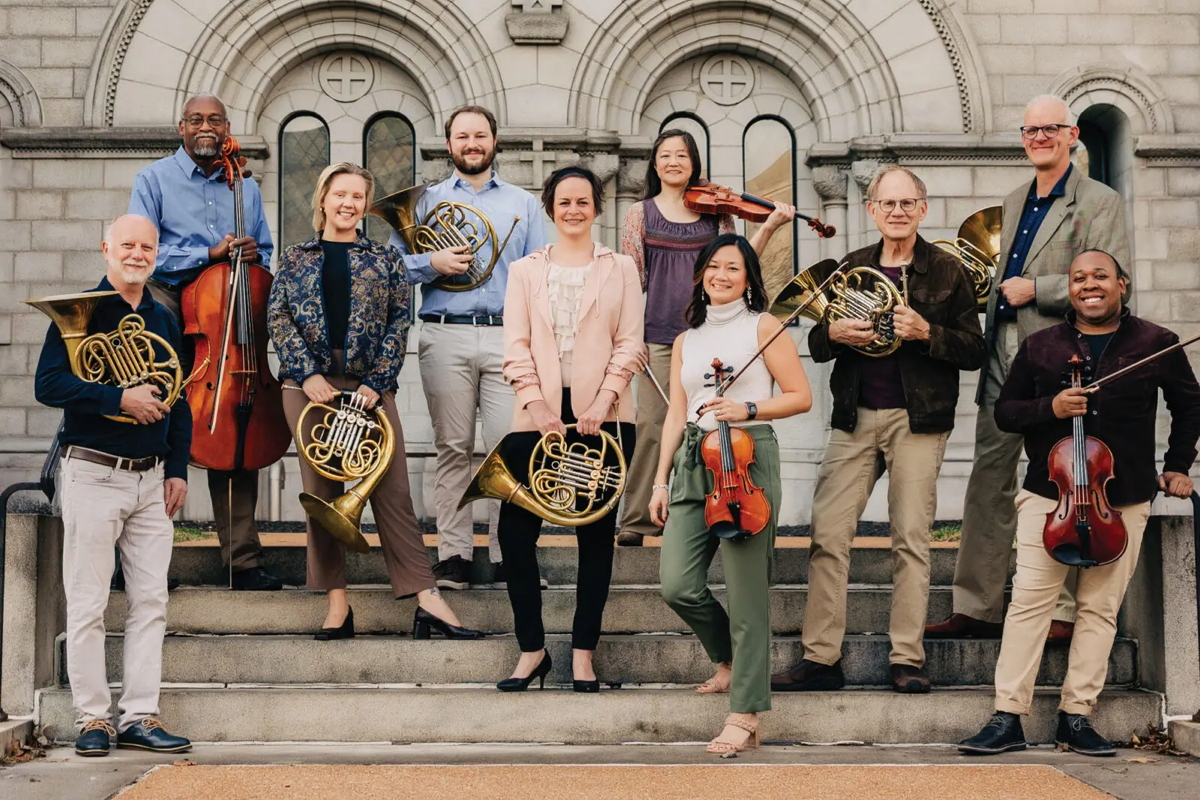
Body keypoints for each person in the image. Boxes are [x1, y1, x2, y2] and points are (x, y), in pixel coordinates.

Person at [958, 250, 1200, 756]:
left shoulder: (1155, 343)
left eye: (1100, 277)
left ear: (1122, 284)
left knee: (1099, 608)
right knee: (1029, 604)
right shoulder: (1041, 346)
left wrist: (1178, 465)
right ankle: (1007, 716)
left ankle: (1077, 716)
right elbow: (1005, 413)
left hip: (1122, 496)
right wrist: (1052, 406)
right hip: (1050, 494)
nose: (1089, 285)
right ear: (1069, 288)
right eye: (1079, 278)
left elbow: (1189, 404)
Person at [771, 165, 985, 694]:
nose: (896, 211)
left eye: (906, 203)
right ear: (871, 210)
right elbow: (816, 344)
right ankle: (822, 659)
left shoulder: (947, 272)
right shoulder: (851, 265)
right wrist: (834, 332)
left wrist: (927, 331)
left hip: (919, 422)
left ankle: (906, 659)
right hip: (854, 417)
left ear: (922, 209)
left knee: (911, 540)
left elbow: (974, 350)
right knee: (827, 536)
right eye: (886, 204)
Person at [927, 95, 1130, 642]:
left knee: (1061, 480)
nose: (1039, 137)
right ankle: (977, 605)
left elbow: (1110, 280)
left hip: (1062, 362)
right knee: (987, 480)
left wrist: (1037, 289)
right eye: (1031, 130)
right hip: (1004, 358)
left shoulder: (1100, 200)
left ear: (1073, 135)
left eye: (1050, 129)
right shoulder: (1015, 198)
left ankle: (1062, 611)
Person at [268, 162, 483, 641]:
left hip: (369, 386)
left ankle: (426, 597)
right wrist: (308, 375)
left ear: (365, 205)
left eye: (358, 197)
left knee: (393, 491)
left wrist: (377, 381)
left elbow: (397, 322)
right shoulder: (295, 256)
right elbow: (278, 317)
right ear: (322, 198)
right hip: (306, 390)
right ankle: (337, 605)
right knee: (322, 494)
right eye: (339, 194)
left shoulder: (383, 260)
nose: (348, 204)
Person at [35, 214, 193, 757]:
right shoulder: (82, 310)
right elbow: (48, 383)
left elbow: (180, 396)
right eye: (127, 245)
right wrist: (118, 399)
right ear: (107, 248)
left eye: (146, 247)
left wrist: (177, 469)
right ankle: (92, 720)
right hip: (93, 471)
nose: (136, 254)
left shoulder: (162, 315)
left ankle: (140, 716)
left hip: (151, 480)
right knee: (88, 603)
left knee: (151, 601)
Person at [652, 233, 813, 754]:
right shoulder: (686, 339)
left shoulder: (764, 327)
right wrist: (659, 480)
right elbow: (677, 412)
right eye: (715, 266)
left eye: (735, 268)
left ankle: (745, 713)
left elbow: (800, 397)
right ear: (701, 273)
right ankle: (728, 660)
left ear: (749, 278)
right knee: (677, 583)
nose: (723, 275)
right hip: (694, 459)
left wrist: (746, 410)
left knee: (747, 596)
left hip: (747, 456)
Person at [494, 166, 642, 692]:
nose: (574, 210)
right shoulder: (524, 271)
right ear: (549, 208)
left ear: (597, 207)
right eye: (564, 202)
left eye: (583, 201)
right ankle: (531, 651)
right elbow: (514, 347)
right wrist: (536, 405)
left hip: (604, 417)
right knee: (514, 535)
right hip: (534, 417)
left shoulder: (621, 266)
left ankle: (583, 654)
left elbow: (630, 342)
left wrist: (603, 401)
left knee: (595, 537)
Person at [128, 93, 282, 591]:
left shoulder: (245, 185)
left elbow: (267, 248)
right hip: (170, 304)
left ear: (226, 127)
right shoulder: (153, 180)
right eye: (196, 119)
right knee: (151, 419)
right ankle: (142, 561)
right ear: (181, 127)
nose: (205, 126)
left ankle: (243, 560)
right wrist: (206, 252)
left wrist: (255, 252)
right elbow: (141, 251)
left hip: (228, 317)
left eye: (214, 119)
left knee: (238, 419)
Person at [391, 105, 548, 590]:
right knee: (452, 448)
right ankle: (454, 554)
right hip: (445, 330)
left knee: (511, 448)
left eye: (480, 135)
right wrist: (431, 261)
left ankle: (511, 556)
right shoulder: (423, 202)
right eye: (463, 136)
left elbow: (541, 272)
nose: (472, 143)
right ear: (450, 143)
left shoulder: (524, 203)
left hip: (507, 335)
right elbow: (396, 268)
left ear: (494, 141)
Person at [617, 129, 796, 546]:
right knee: (654, 426)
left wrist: (767, 227)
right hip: (660, 336)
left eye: (682, 155)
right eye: (665, 155)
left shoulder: (715, 214)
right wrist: (630, 339)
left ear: (694, 163)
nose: (673, 161)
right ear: (655, 163)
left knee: (714, 423)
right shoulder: (638, 214)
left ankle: (710, 508)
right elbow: (630, 282)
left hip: (711, 333)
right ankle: (639, 517)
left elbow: (735, 261)